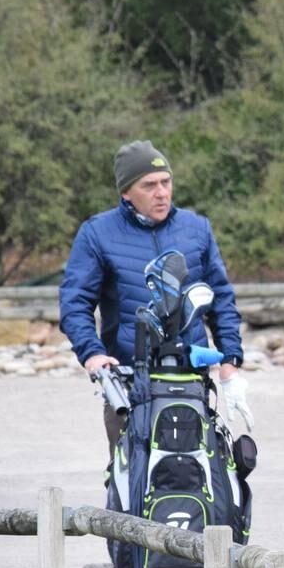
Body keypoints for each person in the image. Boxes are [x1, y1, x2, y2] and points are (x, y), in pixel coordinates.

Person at [59, 140, 253, 451]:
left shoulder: (197, 229)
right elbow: (75, 303)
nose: (161, 192)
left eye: (166, 182)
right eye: (149, 185)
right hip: (128, 381)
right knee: (129, 484)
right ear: (126, 192)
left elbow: (221, 301)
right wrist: (92, 354)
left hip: (192, 381)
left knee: (198, 478)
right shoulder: (96, 233)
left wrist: (230, 363)